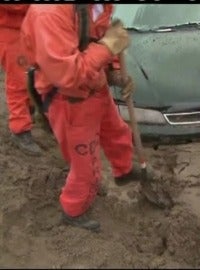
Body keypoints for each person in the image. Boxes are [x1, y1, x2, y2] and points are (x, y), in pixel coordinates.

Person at [20, 4, 151, 232]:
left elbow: (96, 36)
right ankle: (73, 210)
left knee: (118, 133)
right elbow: (68, 75)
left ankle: (124, 171)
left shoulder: (99, 6)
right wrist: (108, 47)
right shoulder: (48, 14)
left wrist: (115, 73)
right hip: (69, 99)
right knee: (86, 166)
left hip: (95, 86)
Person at [0, 4, 42, 156]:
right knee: (20, 81)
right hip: (11, 30)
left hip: (31, 27)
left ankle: (30, 113)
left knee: (36, 75)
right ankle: (20, 129)